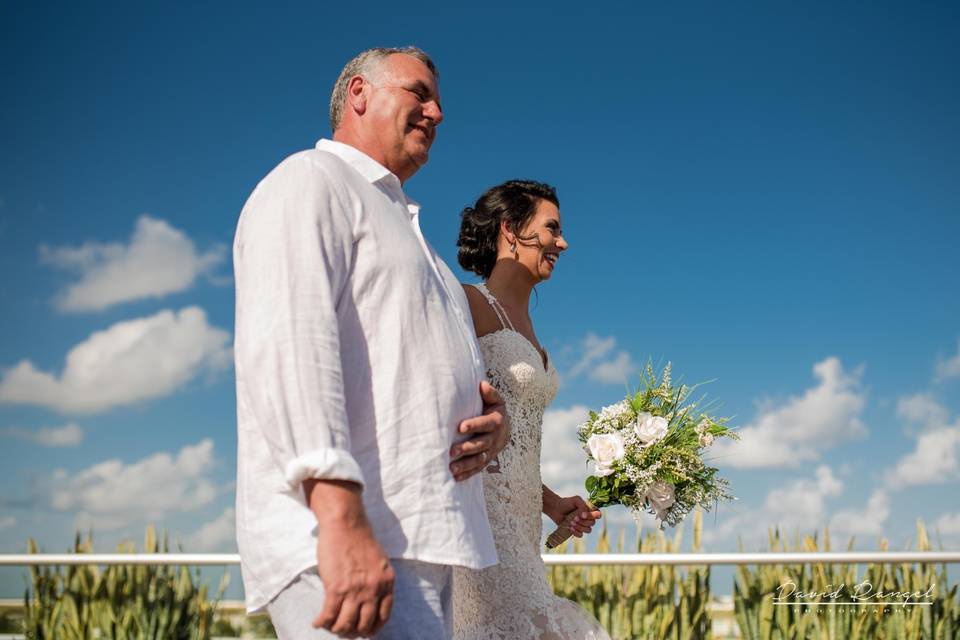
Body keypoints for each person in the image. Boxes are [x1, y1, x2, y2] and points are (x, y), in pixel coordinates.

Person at [233, 46, 509, 639]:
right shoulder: (311, 181)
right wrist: (338, 517)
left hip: (421, 539)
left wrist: (492, 419)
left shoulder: (421, 245)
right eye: (420, 93)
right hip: (347, 533)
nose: (436, 113)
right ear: (359, 93)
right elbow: (290, 344)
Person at [453, 180, 610, 639]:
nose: (562, 242)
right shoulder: (466, 304)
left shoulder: (532, 329)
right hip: (480, 521)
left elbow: (515, 444)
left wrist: (553, 504)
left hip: (522, 526)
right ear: (510, 229)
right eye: (551, 228)